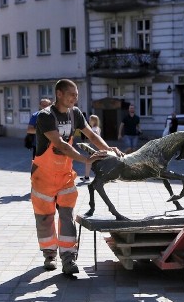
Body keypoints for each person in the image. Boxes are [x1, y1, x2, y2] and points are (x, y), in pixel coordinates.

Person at [32, 80, 121, 276]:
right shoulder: (45, 117)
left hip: (65, 174)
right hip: (43, 176)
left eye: (77, 95)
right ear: (59, 94)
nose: (75, 98)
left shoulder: (76, 114)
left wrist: (107, 149)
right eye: (71, 94)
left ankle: (68, 258)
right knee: (45, 217)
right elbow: (61, 145)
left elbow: (91, 135)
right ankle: (49, 254)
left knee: (67, 215)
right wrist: (86, 159)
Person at [81, 114, 102, 182]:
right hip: (96, 148)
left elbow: (95, 139)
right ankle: (87, 177)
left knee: (89, 162)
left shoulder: (94, 129)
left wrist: (87, 144)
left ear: (93, 121)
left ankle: (87, 177)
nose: (89, 121)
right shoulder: (97, 128)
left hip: (93, 148)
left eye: (90, 119)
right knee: (93, 162)